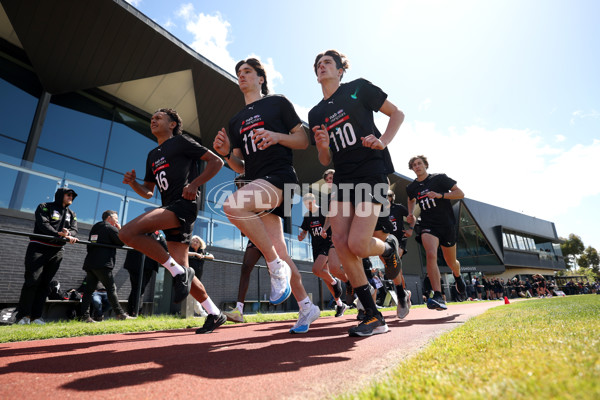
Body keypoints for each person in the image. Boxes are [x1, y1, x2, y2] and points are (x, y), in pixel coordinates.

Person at [213, 58, 320, 334]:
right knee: (282, 253)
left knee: (232, 205)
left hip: (281, 178)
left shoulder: (277, 103)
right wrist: (226, 154)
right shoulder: (235, 121)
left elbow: (302, 140)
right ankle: (307, 306)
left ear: (261, 78)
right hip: (258, 182)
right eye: (239, 73)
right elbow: (240, 166)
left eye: (247, 71)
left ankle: (273, 267)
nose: (242, 76)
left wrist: (275, 136)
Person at [309, 49, 404, 337]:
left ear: (340, 70)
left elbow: (397, 113)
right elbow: (325, 160)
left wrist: (382, 140)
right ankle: (373, 315)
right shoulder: (316, 112)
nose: (321, 67)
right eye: (318, 65)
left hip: (371, 171)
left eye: (327, 63)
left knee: (360, 244)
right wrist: (324, 147)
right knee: (340, 241)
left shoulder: (358, 88)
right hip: (343, 179)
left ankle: (388, 249)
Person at [119, 108, 225, 334]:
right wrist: (133, 184)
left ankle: (178, 273)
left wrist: (195, 184)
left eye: (158, 118)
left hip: (184, 204)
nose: (153, 121)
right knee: (182, 267)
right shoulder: (152, 155)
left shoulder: (182, 142)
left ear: (173, 124)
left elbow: (217, 162)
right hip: (169, 208)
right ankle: (214, 313)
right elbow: (148, 191)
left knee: (126, 233)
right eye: (151, 119)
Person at [406, 155, 466, 311]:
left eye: (419, 163)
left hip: (446, 224)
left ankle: (458, 276)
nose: (417, 166)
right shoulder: (412, 187)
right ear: (412, 169)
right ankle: (438, 295)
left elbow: (460, 193)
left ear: (425, 165)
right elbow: (411, 199)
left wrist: (441, 195)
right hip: (427, 224)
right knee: (431, 254)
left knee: (451, 262)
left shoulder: (439, 178)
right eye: (414, 165)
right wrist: (411, 213)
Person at [16, 187, 79, 325]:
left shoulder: (72, 213)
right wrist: (58, 234)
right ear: (60, 195)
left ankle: (36, 317)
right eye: (68, 195)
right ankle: (23, 316)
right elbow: (43, 224)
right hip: (38, 247)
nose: (71, 197)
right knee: (32, 281)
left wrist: (69, 235)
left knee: (45, 284)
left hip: (57, 251)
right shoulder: (44, 207)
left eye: (73, 196)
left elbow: (74, 230)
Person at [223, 175, 266, 323]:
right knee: (246, 268)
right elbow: (243, 231)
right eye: (237, 185)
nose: (239, 187)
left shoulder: (258, 195)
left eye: (241, 184)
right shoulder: (239, 202)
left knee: (280, 270)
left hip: (270, 236)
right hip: (254, 238)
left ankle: (304, 304)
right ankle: (238, 311)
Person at [298, 193, 348, 317]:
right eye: (305, 204)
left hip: (327, 245)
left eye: (309, 203)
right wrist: (301, 236)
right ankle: (340, 304)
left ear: (314, 200)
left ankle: (335, 281)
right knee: (325, 278)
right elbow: (304, 231)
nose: (308, 206)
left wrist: (326, 231)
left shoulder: (323, 211)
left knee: (316, 270)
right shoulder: (307, 216)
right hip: (315, 247)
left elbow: (331, 222)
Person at [80, 210, 133, 322]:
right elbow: (121, 242)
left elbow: (90, 245)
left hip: (91, 263)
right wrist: (119, 229)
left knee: (88, 291)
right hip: (103, 264)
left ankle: (84, 316)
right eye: (116, 218)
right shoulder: (110, 228)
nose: (117, 221)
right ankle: (120, 314)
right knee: (111, 288)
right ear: (109, 218)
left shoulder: (95, 227)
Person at [374, 189, 413, 319]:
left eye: (389, 195)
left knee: (395, 264)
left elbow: (412, 217)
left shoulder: (399, 208)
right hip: (384, 241)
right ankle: (404, 292)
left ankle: (402, 295)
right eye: (385, 196)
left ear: (392, 197)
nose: (387, 197)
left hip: (399, 241)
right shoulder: (378, 208)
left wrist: (411, 229)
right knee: (393, 268)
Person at [123, 231, 167, 317]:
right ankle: (135, 311)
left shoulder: (158, 234)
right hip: (135, 264)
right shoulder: (140, 230)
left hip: (149, 266)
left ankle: (132, 311)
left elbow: (165, 247)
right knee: (138, 287)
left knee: (139, 288)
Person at [188, 235, 214, 317]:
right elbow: (184, 253)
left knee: (194, 294)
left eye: (197, 242)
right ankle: (202, 312)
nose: (195, 243)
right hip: (188, 275)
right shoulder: (188, 249)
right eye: (193, 241)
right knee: (195, 293)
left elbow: (212, 256)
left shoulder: (202, 251)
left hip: (198, 276)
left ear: (200, 244)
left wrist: (203, 256)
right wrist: (195, 254)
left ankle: (198, 311)